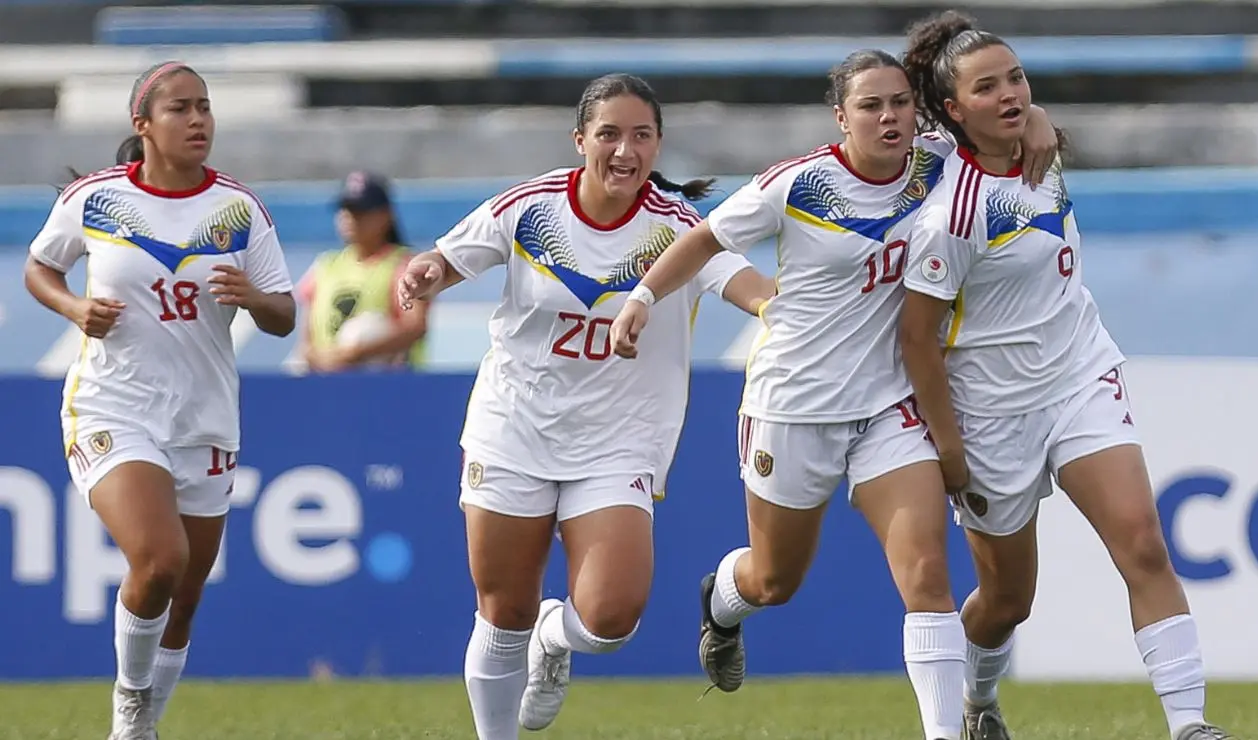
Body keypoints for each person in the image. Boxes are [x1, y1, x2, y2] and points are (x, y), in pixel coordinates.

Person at [609, 48, 1058, 740]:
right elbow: (704, 240)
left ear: (921, 111)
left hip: (890, 405)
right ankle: (722, 602)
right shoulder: (799, 183)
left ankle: (944, 732)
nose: (889, 117)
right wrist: (641, 297)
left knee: (928, 578)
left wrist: (1040, 125)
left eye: (901, 102)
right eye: (871, 105)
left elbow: (1009, 121)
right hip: (794, 405)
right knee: (774, 582)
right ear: (840, 116)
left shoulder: (938, 162)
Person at [396, 73, 775, 739]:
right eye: (608, 134)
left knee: (610, 617)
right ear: (580, 140)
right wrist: (428, 271)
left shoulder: (680, 228)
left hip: (618, 440)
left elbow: (738, 280)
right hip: (514, 426)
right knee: (502, 608)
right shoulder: (532, 208)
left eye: (641, 135)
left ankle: (556, 636)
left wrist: (776, 308)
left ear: (658, 145)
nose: (624, 150)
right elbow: (450, 259)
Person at [897, 12, 1232, 740]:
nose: (1012, 95)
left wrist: (1033, 117)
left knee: (1142, 541)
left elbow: (1023, 123)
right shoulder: (949, 212)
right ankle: (979, 703)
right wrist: (948, 445)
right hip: (989, 412)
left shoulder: (1042, 148)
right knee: (1008, 599)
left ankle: (1191, 725)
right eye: (987, 88)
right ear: (953, 111)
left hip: (1078, 376)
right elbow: (917, 338)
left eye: (1017, 78)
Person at [24, 61, 294, 739]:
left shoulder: (239, 208)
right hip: (113, 406)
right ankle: (129, 708)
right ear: (142, 125)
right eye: (180, 108)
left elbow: (284, 314)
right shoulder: (94, 198)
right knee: (160, 559)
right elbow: (40, 265)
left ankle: (144, 723)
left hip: (203, 417)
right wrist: (73, 306)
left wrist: (254, 298)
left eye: (204, 106)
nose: (198, 119)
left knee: (184, 596)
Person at [296, 170, 429, 373]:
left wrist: (356, 353)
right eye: (346, 211)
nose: (350, 218)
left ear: (385, 215)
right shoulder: (325, 265)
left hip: (389, 382)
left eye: (361, 212)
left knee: (365, 330)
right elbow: (307, 341)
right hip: (329, 380)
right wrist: (322, 358)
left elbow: (414, 326)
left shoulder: (404, 265)